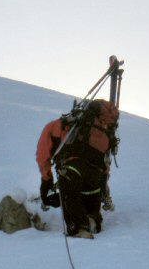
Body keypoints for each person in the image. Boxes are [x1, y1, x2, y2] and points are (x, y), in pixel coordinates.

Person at [36, 98, 119, 238]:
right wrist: (103, 189)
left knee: (70, 192)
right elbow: (105, 165)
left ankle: (79, 227)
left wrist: (46, 181)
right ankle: (93, 221)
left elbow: (42, 155)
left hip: (72, 170)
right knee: (88, 200)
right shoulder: (104, 132)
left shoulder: (62, 125)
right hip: (95, 178)